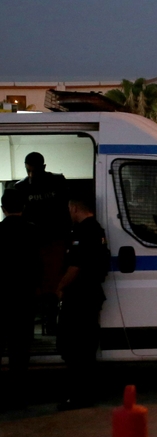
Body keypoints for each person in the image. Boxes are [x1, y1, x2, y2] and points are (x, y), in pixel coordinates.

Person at [56, 197, 110, 410]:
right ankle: (85, 395)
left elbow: (75, 266)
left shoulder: (83, 231)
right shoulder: (97, 229)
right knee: (86, 349)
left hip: (79, 297)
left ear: (74, 207)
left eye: (69, 208)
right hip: (91, 295)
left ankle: (78, 396)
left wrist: (60, 286)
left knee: (76, 349)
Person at [15, 152, 71, 335]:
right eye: (28, 170)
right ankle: (41, 323)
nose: (31, 175)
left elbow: (66, 210)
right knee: (36, 283)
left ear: (43, 167)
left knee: (51, 284)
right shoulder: (22, 187)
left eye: (34, 170)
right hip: (35, 242)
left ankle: (49, 321)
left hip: (54, 240)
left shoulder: (56, 182)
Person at [0, 189, 42, 410]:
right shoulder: (33, 231)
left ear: (3, 208)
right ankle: (19, 396)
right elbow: (38, 265)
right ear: (24, 208)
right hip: (24, 298)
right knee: (20, 349)